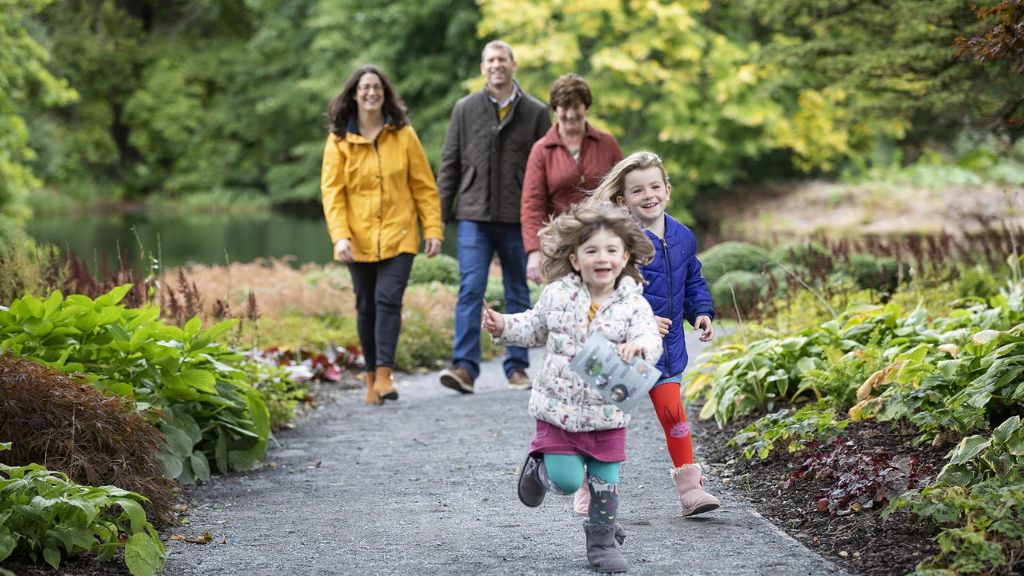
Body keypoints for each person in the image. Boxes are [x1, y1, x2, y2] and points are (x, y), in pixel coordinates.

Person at [481, 203, 661, 573]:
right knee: (567, 481)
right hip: (558, 410)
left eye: (611, 250)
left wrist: (640, 347)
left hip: (607, 413)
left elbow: (648, 334)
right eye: (591, 250)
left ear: (624, 256)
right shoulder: (558, 295)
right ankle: (538, 469)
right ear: (576, 259)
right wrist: (503, 327)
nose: (602, 258)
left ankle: (601, 543)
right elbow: (534, 326)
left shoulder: (633, 304)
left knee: (605, 484)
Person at [581, 151, 721, 517]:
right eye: (638, 190)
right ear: (621, 200)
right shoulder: (614, 242)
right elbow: (599, 291)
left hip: (667, 350)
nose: (649, 195)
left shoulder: (682, 236)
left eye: (655, 186)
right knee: (606, 421)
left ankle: (691, 490)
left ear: (668, 190)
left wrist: (701, 312)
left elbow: (693, 279)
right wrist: (637, 321)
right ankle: (592, 484)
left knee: (675, 416)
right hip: (620, 351)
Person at [320, 65, 443, 405]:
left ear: (385, 94)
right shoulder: (339, 140)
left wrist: (432, 227)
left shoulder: (403, 135)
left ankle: (386, 375)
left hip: (399, 233)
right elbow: (333, 194)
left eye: (377, 87)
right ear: (354, 95)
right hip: (356, 238)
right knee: (366, 306)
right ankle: (372, 376)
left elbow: (424, 186)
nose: (371, 93)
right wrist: (340, 236)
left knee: (388, 300)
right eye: (365, 88)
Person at [437, 41, 551, 394]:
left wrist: (546, 223)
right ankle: (464, 369)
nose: (496, 65)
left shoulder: (535, 112)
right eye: (490, 60)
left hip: (519, 217)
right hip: (473, 214)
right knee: (471, 288)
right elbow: (449, 164)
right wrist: (438, 218)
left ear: (513, 64)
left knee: (518, 288)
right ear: (482, 66)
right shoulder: (464, 108)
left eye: (502, 59)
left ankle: (516, 368)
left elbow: (544, 169)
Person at [521, 73, 623, 285]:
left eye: (576, 106)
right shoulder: (542, 150)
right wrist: (533, 251)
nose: (569, 114)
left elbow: (623, 193)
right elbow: (532, 204)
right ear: (555, 109)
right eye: (563, 107)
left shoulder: (607, 143)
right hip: (561, 245)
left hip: (605, 241)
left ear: (585, 107)